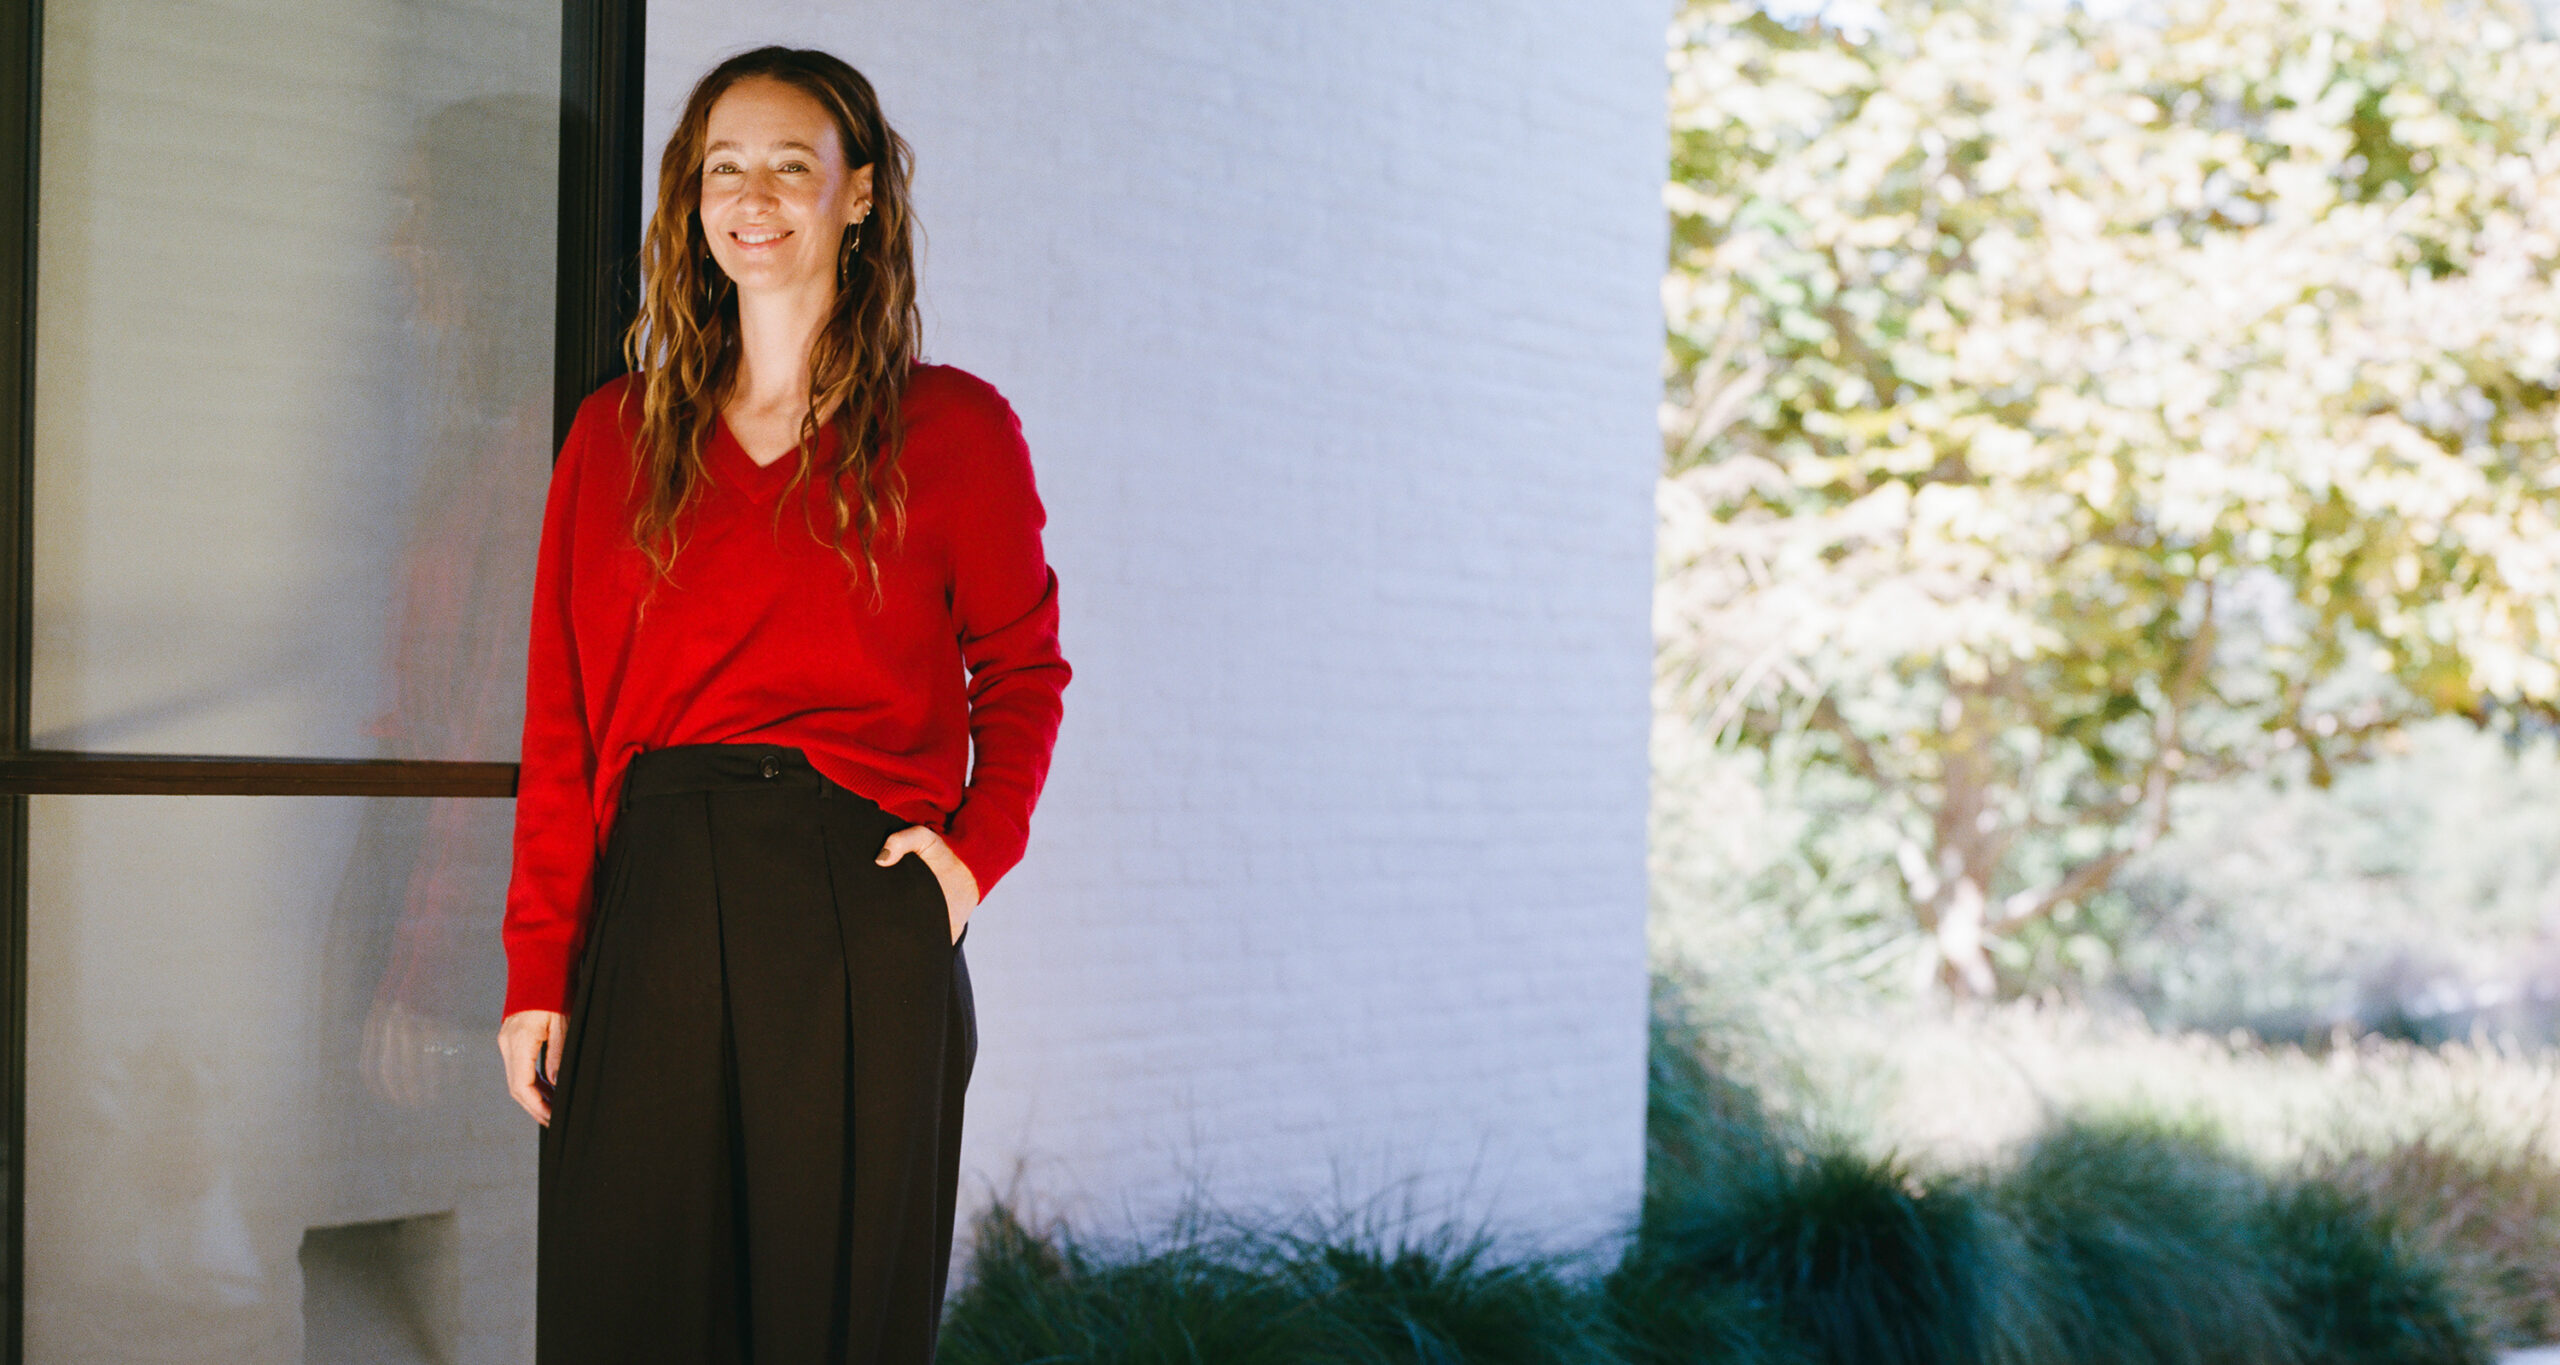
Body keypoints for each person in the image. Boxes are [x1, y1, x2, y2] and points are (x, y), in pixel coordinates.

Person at [492, 45, 1070, 1363]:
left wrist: (969, 861)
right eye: (722, 168)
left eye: (791, 166)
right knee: (625, 1308)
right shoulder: (614, 437)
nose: (752, 196)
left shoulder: (954, 431)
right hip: (655, 899)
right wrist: (539, 963)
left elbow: (1024, 672)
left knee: (830, 1326)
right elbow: (563, 722)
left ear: (859, 195)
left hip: (855, 906)